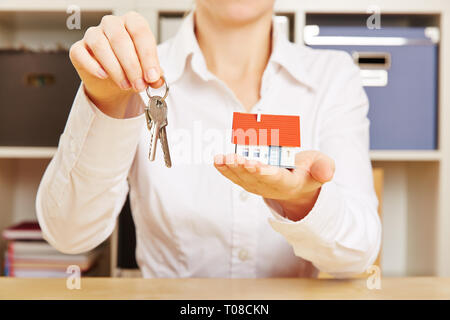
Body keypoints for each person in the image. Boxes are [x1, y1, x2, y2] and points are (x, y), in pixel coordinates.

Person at [36, 0, 381, 278]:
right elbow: (69, 234)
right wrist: (106, 103)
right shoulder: (134, 72)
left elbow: (357, 255)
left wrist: (304, 202)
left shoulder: (333, 77)